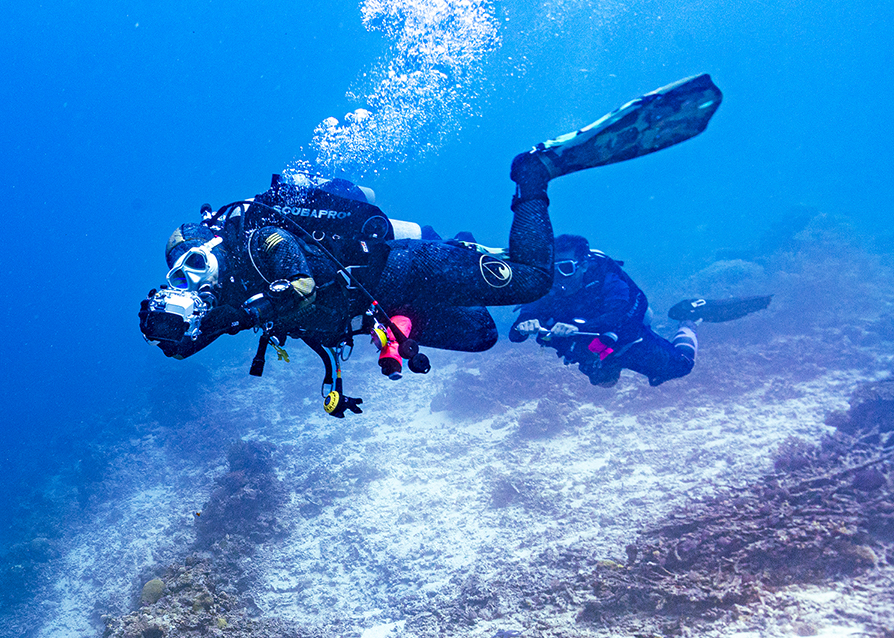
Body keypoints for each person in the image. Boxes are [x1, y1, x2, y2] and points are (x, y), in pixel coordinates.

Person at [138, 74, 723, 416]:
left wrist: (250, 309)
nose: (191, 279)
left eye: (191, 267)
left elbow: (302, 282)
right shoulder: (227, 299)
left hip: (403, 269)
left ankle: (534, 174)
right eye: (181, 278)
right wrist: (172, 329)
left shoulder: (257, 242)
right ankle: (461, 248)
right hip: (380, 306)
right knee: (483, 334)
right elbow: (194, 343)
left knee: (531, 280)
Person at [510, 234, 698, 387]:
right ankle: (609, 363)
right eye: (553, 269)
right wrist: (525, 323)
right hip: (591, 346)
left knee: (681, 366)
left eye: (566, 268)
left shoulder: (606, 278)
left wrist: (577, 327)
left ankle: (689, 320)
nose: (558, 277)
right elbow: (516, 333)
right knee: (605, 381)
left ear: (583, 265)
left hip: (626, 340)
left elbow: (620, 314)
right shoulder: (546, 288)